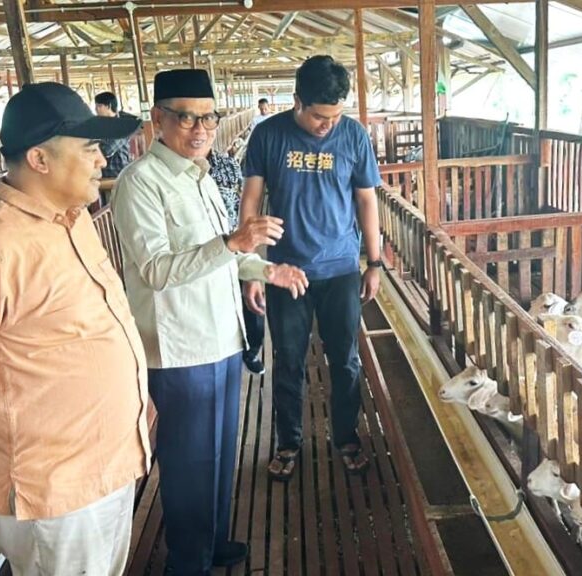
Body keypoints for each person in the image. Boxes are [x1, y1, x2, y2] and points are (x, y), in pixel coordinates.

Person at [0, 82, 148, 575]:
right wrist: (2, 393)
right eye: (90, 148)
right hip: (55, 490)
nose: (103, 160)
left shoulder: (73, 219)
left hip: (109, 460)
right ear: (40, 159)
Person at [111, 69, 308, 576]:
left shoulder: (200, 176)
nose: (200, 128)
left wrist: (267, 268)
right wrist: (235, 244)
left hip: (222, 336)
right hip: (180, 349)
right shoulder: (140, 184)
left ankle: (212, 541)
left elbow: (224, 252)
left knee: (220, 455)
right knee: (189, 464)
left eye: (209, 117)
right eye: (185, 117)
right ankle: (188, 561)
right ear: (158, 120)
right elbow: (156, 269)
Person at [240, 55, 382, 481]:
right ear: (297, 101)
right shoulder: (268, 135)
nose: (328, 125)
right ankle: (288, 442)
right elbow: (250, 201)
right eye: (320, 116)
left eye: (335, 116)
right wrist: (252, 268)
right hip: (286, 269)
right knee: (288, 360)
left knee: (346, 359)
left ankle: (346, 435)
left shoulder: (353, 135)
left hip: (340, 267)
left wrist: (373, 263)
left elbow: (366, 200)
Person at [210, 148, 267, 375]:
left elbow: (244, 207)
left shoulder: (228, 165)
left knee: (253, 303)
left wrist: (247, 247)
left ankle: (252, 350)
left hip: (237, 242)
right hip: (205, 250)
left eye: (207, 121)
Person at [94, 91, 135, 179]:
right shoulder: (101, 125)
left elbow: (107, 150)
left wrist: (91, 147)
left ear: (108, 106)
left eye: (99, 106)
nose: (96, 109)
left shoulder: (121, 126)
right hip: (104, 175)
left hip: (117, 175)